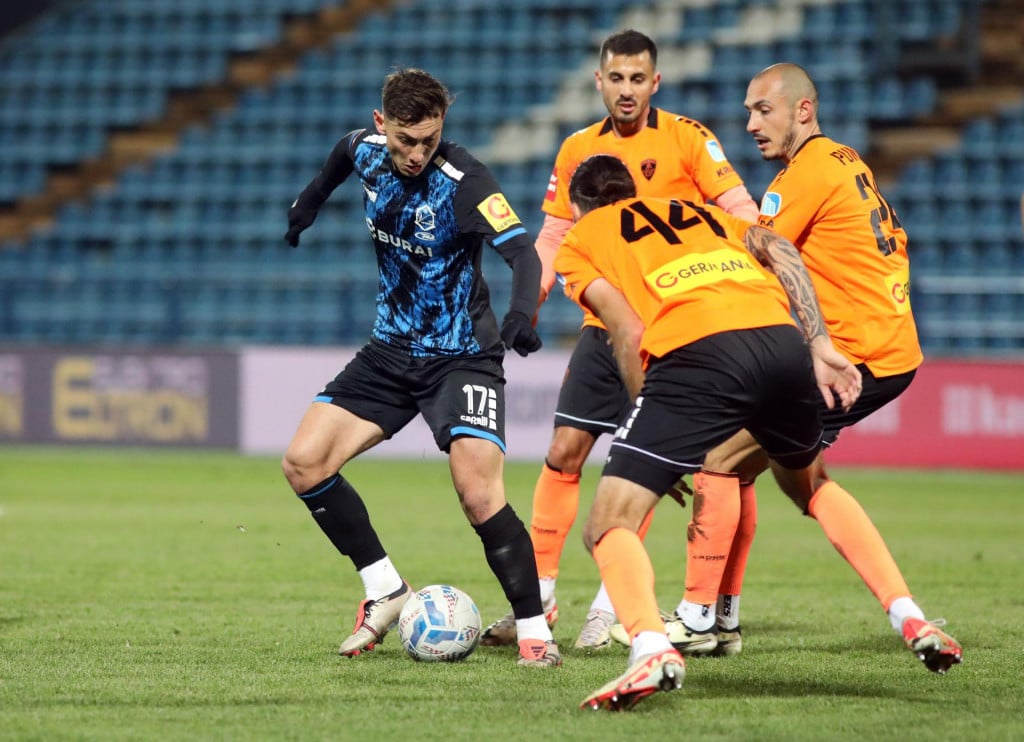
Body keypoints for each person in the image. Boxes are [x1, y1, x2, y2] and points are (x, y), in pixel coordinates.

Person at [556, 155, 961, 711]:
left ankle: (652, 646)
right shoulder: (696, 211)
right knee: (810, 482)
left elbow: (626, 330)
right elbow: (782, 249)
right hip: (782, 339)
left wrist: (648, 430)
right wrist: (818, 344)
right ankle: (909, 616)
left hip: (700, 351)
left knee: (607, 522)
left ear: (578, 209)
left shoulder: (580, 241)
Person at [606, 61, 968, 665]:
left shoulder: (801, 177)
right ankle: (725, 619)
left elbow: (762, 255)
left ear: (803, 109)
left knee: (723, 462)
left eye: (762, 109)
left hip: (852, 354)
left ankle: (697, 619)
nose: (750, 123)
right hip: (885, 345)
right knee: (754, 470)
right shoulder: (844, 159)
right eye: (747, 110)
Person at [479, 29, 760, 653]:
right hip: (605, 325)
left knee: (643, 464)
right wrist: (529, 304)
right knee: (564, 449)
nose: (627, 90)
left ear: (655, 83)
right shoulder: (578, 148)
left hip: (674, 327)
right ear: (599, 81)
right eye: (617, 78)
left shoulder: (688, 138)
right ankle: (540, 602)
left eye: (639, 79)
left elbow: (741, 211)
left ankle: (612, 607)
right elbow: (553, 237)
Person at [279, 68, 560, 668]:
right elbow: (337, 158)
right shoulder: (366, 149)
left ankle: (536, 631)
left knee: (478, 494)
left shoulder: (465, 180)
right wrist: (308, 202)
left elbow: (522, 253)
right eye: (406, 140)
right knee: (303, 463)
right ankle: (384, 590)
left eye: (428, 140)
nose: (416, 154)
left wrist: (520, 317)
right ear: (384, 126)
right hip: (389, 351)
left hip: (461, 356)